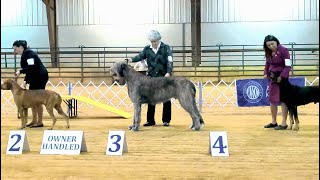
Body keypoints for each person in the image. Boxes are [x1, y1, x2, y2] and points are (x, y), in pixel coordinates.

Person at [127, 30, 173, 127]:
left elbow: (170, 61)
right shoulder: (147, 49)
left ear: (158, 40)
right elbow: (140, 56)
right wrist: (131, 59)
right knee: (151, 98)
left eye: (155, 41)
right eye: (152, 41)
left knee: (166, 97)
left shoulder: (166, 48)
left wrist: (168, 72)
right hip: (151, 78)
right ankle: (150, 121)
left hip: (164, 77)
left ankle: (166, 120)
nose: (153, 43)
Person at [13, 40, 49, 128]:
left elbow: (31, 67)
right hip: (34, 77)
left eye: (15, 49)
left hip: (40, 77)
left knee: (38, 100)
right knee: (33, 100)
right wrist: (26, 80)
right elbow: (29, 70)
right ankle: (34, 120)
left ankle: (39, 122)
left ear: (21, 47)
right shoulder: (25, 54)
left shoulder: (29, 53)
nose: (15, 51)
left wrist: (20, 71)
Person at [263, 35, 291, 130]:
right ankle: (274, 122)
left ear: (276, 42)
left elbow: (288, 66)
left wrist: (282, 76)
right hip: (272, 78)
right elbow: (267, 63)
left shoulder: (284, 50)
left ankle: (284, 123)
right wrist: (265, 73)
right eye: (268, 45)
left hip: (282, 78)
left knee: (283, 100)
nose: (271, 46)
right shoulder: (268, 52)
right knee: (272, 100)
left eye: (272, 44)